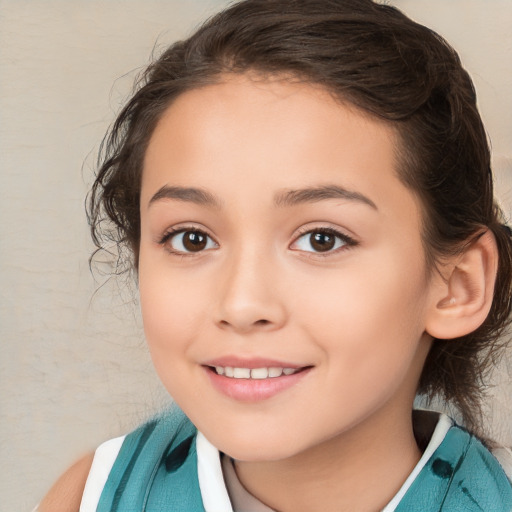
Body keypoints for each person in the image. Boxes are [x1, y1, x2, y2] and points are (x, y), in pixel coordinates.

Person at [39, 0, 512, 510]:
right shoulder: (92, 496)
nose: (242, 304)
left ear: (458, 285)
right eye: (192, 238)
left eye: (321, 239)